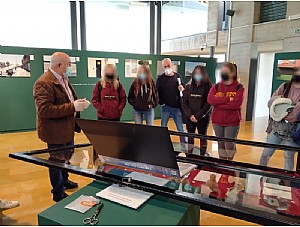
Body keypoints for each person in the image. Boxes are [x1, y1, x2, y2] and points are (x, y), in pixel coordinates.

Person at [33, 52, 90, 202]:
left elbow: (68, 99)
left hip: (67, 129)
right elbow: (44, 110)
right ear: (60, 65)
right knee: (56, 162)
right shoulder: (44, 82)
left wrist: (78, 103)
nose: (70, 67)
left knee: (66, 157)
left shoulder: (63, 78)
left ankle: (64, 180)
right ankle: (58, 192)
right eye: (69, 64)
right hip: (55, 131)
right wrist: (72, 106)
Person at [260, 66, 300, 171]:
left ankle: (287, 181)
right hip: (277, 128)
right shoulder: (285, 86)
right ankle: (260, 174)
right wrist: (285, 106)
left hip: (293, 131)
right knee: (266, 153)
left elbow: (295, 115)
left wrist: (280, 109)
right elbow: (270, 103)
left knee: (288, 156)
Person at [208, 62, 244, 160]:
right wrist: (228, 99)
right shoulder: (216, 86)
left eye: (225, 71)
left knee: (229, 144)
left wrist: (218, 103)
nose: (223, 73)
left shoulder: (239, 87)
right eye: (222, 71)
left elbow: (236, 104)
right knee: (221, 144)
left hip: (232, 121)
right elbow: (210, 99)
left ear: (232, 73)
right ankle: (223, 163)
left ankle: (230, 162)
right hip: (217, 121)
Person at [156, 58, 186, 150]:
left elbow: (183, 86)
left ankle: (184, 148)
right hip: (165, 108)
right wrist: (161, 103)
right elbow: (157, 92)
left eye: (168, 66)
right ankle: (162, 146)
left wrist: (182, 88)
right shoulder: (160, 79)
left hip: (177, 108)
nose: (167, 68)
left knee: (181, 129)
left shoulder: (177, 76)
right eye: (165, 66)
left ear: (172, 65)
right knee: (163, 128)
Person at [182, 65, 212, 155]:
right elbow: (184, 102)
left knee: (202, 136)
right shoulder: (188, 87)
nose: (197, 75)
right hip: (190, 117)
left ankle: (202, 156)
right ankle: (189, 155)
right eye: (196, 73)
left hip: (202, 117)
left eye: (199, 73)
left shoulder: (208, 87)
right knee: (190, 136)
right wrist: (190, 115)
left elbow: (208, 103)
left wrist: (198, 116)